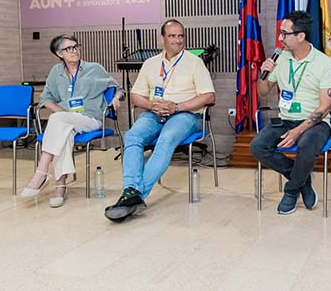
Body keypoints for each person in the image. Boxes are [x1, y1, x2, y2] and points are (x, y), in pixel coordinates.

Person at [104, 19, 215, 223]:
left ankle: (134, 196)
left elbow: (209, 96)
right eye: (172, 36)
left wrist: (177, 107)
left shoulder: (194, 62)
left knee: (166, 139)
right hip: (155, 112)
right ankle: (131, 191)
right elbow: (136, 96)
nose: (178, 40)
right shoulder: (151, 63)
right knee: (133, 135)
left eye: (181, 36)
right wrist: (151, 105)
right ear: (162, 38)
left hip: (186, 114)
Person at [250, 10, 331, 215]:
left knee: (306, 145)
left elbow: (324, 107)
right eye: (280, 33)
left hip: (315, 122)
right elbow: (263, 92)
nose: (280, 38)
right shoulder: (280, 59)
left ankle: (290, 192)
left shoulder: (324, 63)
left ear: (300, 36)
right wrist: (263, 74)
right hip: (286, 119)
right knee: (257, 147)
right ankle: (302, 181)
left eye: (284, 34)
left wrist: (298, 131)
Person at [21, 34, 122, 207]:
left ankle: (42, 172)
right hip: (66, 120)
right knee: (63, 130)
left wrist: (116, 98)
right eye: (68, 48)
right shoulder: (56, 72)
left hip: (90, 118)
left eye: (75, 46)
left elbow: (117, 87)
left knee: (57, 121)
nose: (74, 51)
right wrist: (60, 111)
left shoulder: (94, 68)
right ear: (59, 54)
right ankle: (60, 186)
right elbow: (46, 98)